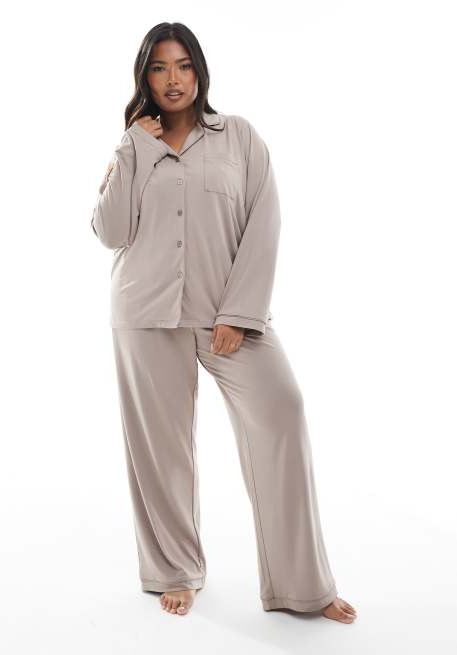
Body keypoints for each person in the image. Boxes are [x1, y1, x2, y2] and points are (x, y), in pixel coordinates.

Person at [90, 21, 357, 624]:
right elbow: (110, 231)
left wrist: (238, 313)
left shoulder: (239, 137)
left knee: (282, 410)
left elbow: (264, 222)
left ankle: (302, 584)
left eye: (183, 65)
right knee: (162, 451)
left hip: (226, 316)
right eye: (159, 68)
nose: (173, 79)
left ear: (199, 71)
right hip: (144, 313)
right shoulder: (134, 144)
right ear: (144, 77)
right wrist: (130, 148)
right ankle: (174, 573)